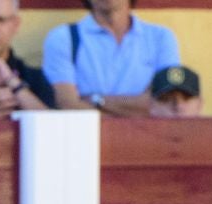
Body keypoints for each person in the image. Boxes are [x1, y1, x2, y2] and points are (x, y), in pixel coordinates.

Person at [42, 0, 180, 117]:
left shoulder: (160, 37)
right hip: (87, 141)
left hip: (149, 141)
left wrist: (96, 100)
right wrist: (135, 109)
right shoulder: (63, 38)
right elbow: (67, 104)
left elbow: (164, 104)